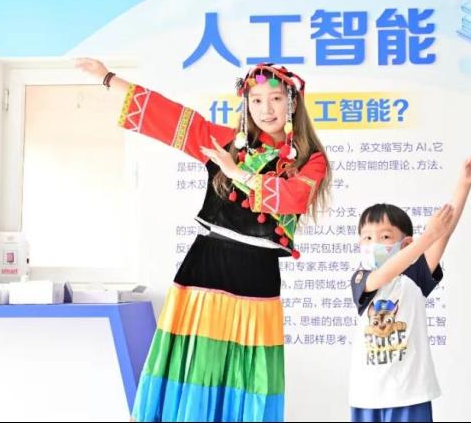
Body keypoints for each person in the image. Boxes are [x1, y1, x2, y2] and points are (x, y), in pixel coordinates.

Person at [76, 58, 331, 422]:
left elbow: (293, 198)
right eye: (256, 100)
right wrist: (108, 78)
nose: (266, 109)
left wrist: (236, 172)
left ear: (292, 103)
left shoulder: (309, 160)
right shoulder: (229, 143)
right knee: (195, 363)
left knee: (249, 372)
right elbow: (173, 119)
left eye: (275, 99)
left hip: (256, 272)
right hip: (206, 263)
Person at [348, 157, 471, 422]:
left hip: (410, 393)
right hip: (367, 396)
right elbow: (382, 276)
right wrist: (428, 237)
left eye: (384, 237)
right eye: (367, 237)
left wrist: (464, 183)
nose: (374, 244)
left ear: (406, 244)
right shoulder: (362, 278)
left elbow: (444, 233)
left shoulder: (415, 278)